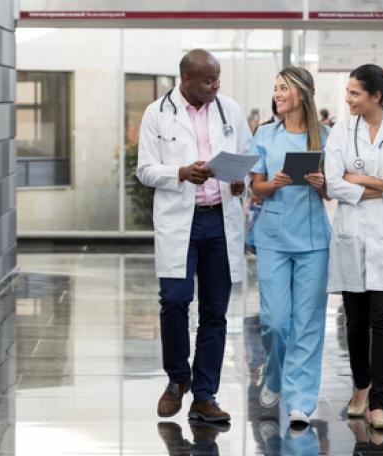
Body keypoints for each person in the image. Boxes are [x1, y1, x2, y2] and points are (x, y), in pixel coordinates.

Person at [136, 49, 253, 424]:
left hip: (220, 221)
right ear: (186, 79)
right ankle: (177, 379)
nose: (216, 86)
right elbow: (145, 170)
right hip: (179, 223)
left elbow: (249, 159)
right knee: (174, 301)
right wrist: (182, 173)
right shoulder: (157, 113)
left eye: (218, 79)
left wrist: (240, 182)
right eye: (208, 80)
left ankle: (205, 396)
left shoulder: (229, 110)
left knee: (214, 313)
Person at [324, 64, 383, 430]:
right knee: (356, 320)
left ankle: (378, 403)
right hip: (352, 237)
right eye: (347, 92)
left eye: (354, 93)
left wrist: (361, 180)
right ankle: (361, 386)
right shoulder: (340, 131)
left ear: (376, 97)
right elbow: (334, 184)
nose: (347, 99)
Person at [249, 66, 331, 427]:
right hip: (274, 236)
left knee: (308, 323)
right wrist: (277, 183)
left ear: (302, 94)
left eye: (283, 88)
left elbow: (332, 192)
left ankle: (301, 401)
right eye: (275, 88)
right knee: (275, 321)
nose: (277, 94)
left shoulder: (326, 137)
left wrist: (319, 183)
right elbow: (256, 189)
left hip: (313, 239)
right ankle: (274, 376)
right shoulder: (265, 134)